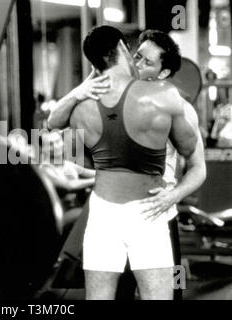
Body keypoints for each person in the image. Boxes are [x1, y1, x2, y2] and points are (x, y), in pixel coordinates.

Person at [47, 30, 206, 299]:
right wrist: (82, 88)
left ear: (164, 73)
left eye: (147, 62)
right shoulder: (92, 100)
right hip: (106, 210)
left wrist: (174, 196)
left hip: (158, 212)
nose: (137, 64)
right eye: (137, 56)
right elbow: (54, 124)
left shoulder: (177, 105)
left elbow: (198, 166)